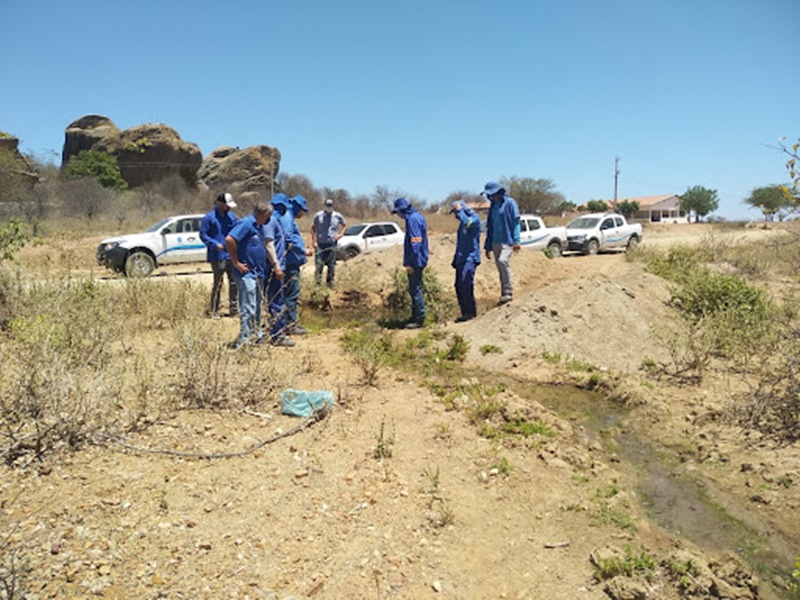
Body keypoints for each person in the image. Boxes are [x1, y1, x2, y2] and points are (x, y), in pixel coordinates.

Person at [225, 200, 271, 347]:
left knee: (257, 306)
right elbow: (230, 239)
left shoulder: (259, 226)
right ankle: (244, 341)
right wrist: (236, 262)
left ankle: (256, 335)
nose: (268, 220)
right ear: (262, 214)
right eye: (267, 216)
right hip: (247, 274)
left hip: (258, 273)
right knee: (248, 307)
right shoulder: (246, 223)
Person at [391, 197, 429, 329]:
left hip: (416, 261)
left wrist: (411, 263)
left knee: (415, 289)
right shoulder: (416, 217)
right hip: (417, 259)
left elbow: (416, 242)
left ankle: (419, 319)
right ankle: (415, 316)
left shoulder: (413, 219)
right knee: (414, 288)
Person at [199, 192, 239, 317]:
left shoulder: (232, 217)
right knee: (218, 282)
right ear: (220, 204)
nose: (229, 208)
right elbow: (203, 235)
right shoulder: (209, 218)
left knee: (234, 282)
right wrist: (214, 244)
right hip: (217, 256)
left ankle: (234, 308)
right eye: (227, 205)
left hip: (231, 255)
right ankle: (214, 309)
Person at [482, 181, 520, 304]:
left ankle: (508, 291)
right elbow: (490, 227)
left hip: (507, 240)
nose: (490, 197)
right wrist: (487, 247)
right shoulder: (493, 206)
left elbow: (515, 222)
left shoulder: (510, 203)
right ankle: (503, 293)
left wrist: (516, 240)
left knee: (503, 261)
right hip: (495, 241)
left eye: (491, 194)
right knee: (500, 267)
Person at [264, 194, 294, 347]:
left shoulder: (272, 219)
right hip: (273, 268)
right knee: (276, 301)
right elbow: (269, 245)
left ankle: (275, 332)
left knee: (274, 301)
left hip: (274, 266)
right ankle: (277, 335)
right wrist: (276, 266)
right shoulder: (270, 221)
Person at [280, 195, 313, 335]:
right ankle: (290, 325)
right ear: (298, 208)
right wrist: (303, 250)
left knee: (288, 293)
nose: (303, 213)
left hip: (291, 261)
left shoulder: (288, 217)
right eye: (303, 210)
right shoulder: (287, 218)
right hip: (290, 262)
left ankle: (286, 323)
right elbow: (288, 239)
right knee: (291, 294)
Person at [450, 200, 482, 322]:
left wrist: (460, 211)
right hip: (461, 259)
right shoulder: (461, 225)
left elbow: (467, 222)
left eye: (456, 212)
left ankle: (471, 312)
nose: (455, 215)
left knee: (466, 283)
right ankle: (465, 312)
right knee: (458, 285)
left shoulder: (474, 219)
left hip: (470, 258)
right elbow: (460, 243)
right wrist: (455, 258)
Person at [311, 198, 347, 287]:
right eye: (327, 205)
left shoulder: (337, 216)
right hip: (320, 244)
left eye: (330, 205)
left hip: (332, 244)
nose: (329, 207)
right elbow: (313, 228)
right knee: (319, 265)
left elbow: (345, 225)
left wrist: (340, 234)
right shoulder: (318, 215)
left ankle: (330, 284)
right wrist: (314, 241)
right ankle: (317, 285)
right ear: (325, 205)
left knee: (331, 265)